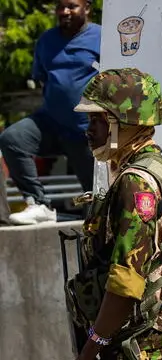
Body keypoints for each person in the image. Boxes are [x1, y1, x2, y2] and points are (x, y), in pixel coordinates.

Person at [65, 68, 162, 360]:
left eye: (97, 119)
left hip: (137, 346)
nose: (89, 130)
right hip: (158, 345)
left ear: (122, 122)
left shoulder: (136, 182)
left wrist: (93, 346)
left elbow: (126, 281)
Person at [0, 0, 100, 225]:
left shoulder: (103, 37)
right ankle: (38, 203)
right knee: (12, 139)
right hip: (51, 123)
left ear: (87, 7)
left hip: (87, 131)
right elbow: (45, 80)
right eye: (60, 6)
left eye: (72, 6)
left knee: (98, 206)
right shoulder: (47, 40)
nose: (65, 11)